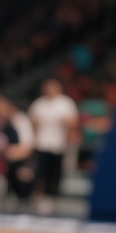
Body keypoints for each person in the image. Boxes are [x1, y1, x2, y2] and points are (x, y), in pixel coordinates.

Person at [28, 78, 80, 209]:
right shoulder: (39, 104)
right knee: (41, 171)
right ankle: (40, 195)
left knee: (55, 172)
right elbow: (32, 122)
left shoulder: (66, 103)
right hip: (42, 143)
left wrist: (65, 123)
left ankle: (52, 195)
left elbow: (73, 122)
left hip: (58, 144)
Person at [0, 89, 35, 207]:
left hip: (19, 160)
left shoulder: (19, 120)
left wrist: (8, 153)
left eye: (0, 105)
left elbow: (27, 149)